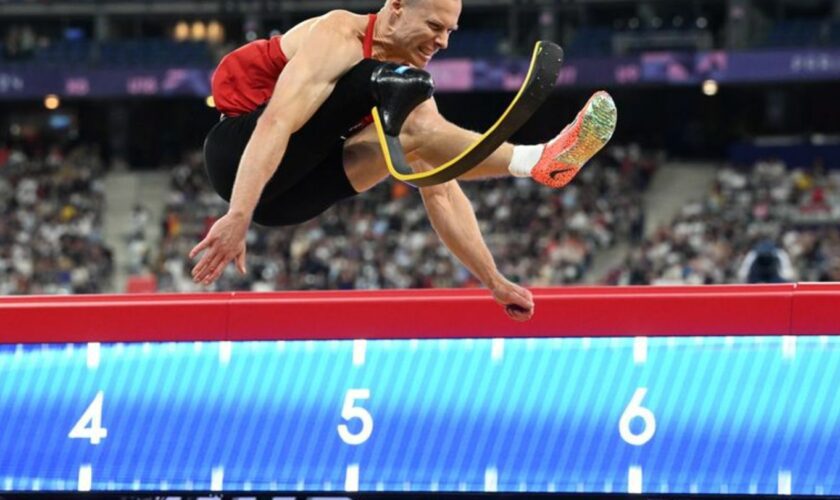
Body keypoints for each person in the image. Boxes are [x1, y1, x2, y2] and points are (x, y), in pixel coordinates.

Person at [190, 0, 617, 322]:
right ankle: (538, 159)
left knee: (417, 134)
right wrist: (238, 214)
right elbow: (276, 123)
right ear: (395, 9)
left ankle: (540, 164)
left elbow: (442, 187)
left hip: (288, 202)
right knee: (387, 80)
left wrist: (493, 280)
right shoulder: (339, 34)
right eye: (434, 25)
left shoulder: (401, 86)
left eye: (450, 31)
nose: (443, 41)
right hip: (236, 154)